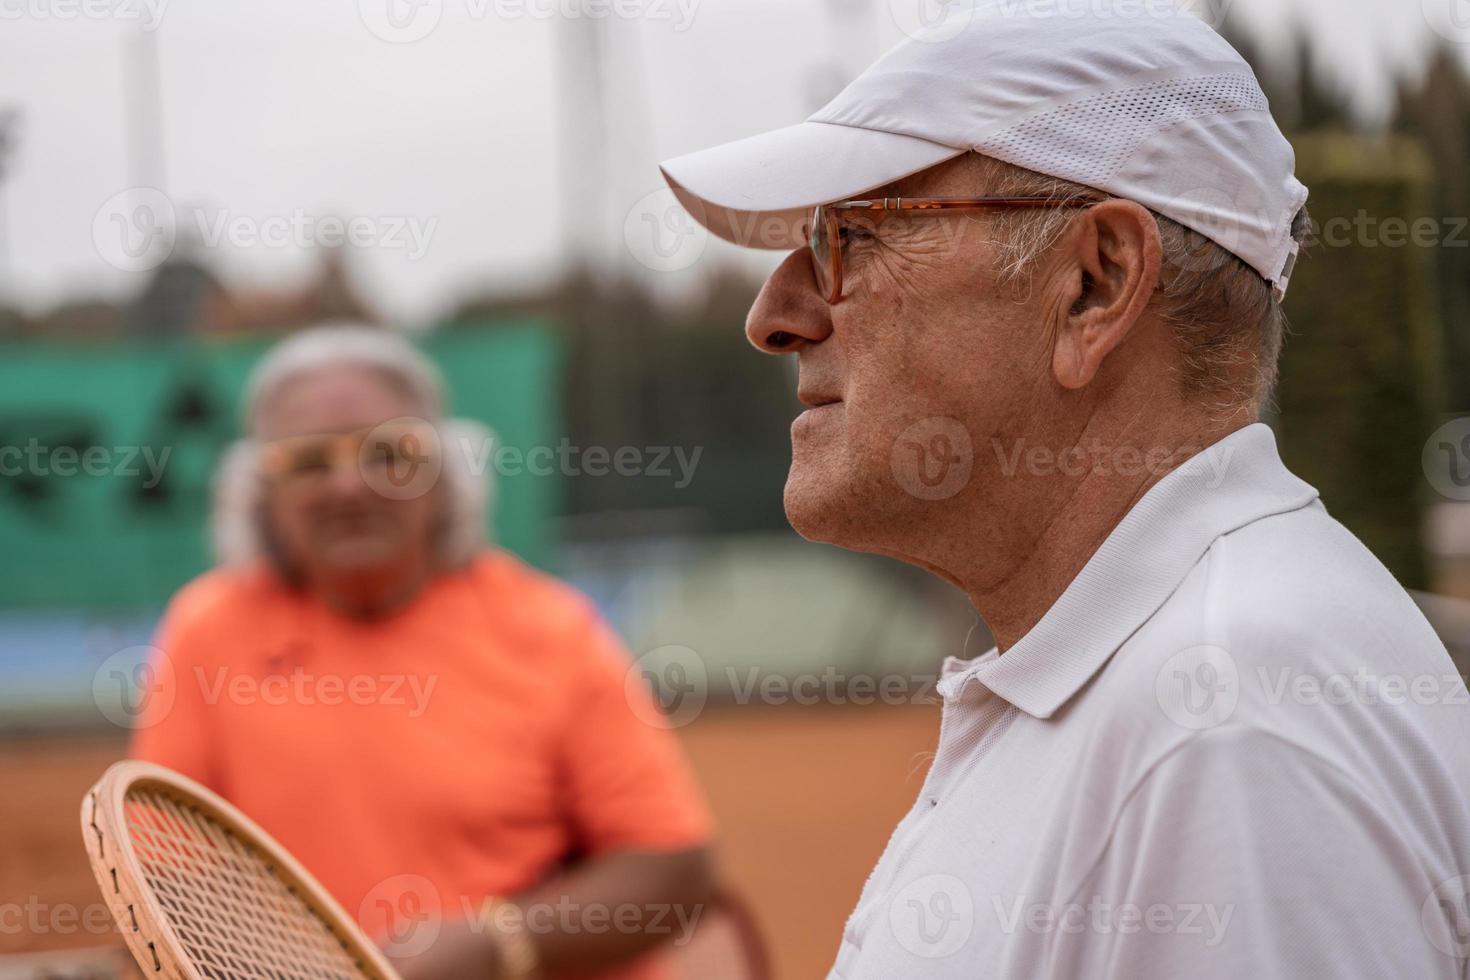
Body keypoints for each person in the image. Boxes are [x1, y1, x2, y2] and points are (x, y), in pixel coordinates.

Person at [659, 4, 1470, 978]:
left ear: (1094, 283)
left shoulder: (1228, 725)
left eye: (853, 232)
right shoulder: (1165, 682)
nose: (773, 314)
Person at [131, 325, 716, 980]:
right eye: (308, 461)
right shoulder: (208, 629)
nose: (348, 486)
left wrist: (498, 944)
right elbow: (170, 875)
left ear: (445, 474)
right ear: (260, 493)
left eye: (390, 453)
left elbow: (675, 870)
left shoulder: (551, 630)